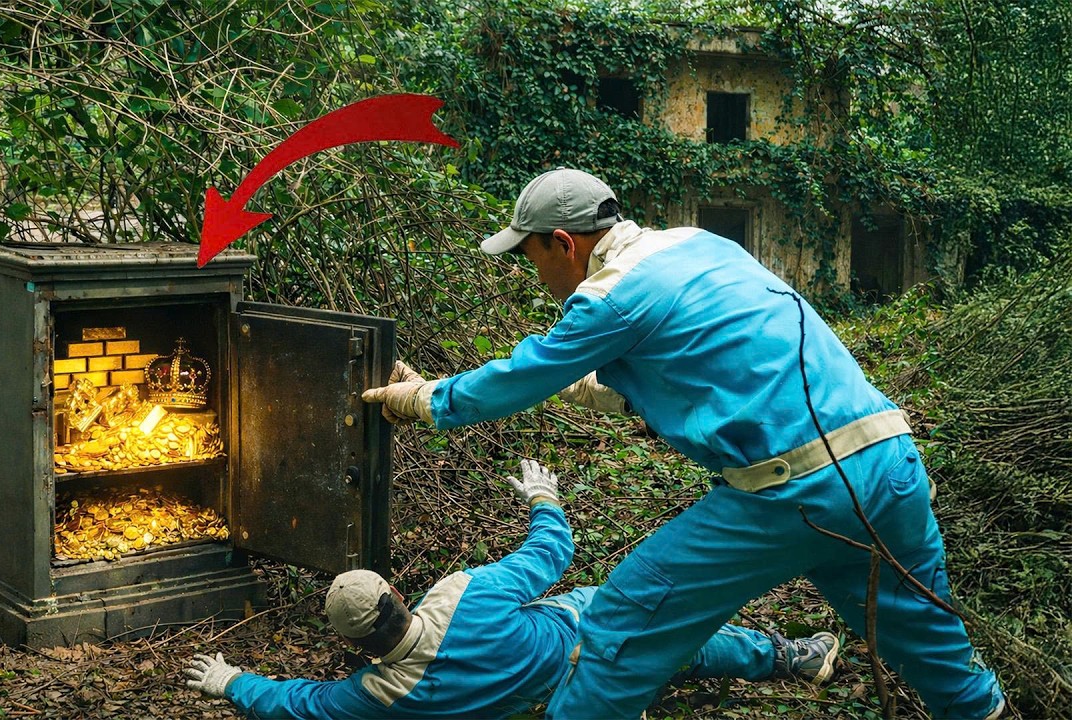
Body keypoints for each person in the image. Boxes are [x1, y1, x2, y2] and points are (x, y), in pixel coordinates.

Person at [360, 168, 1005, 719]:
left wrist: (422, 400)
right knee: (925, 634)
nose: (536, 276)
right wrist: (565, 383)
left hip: (794, 490)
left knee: (620, 623)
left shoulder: (609, 298)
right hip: (887, 458)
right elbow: (683, 366)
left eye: (531, 258)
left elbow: (519, 377)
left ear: (563, 242)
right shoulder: (700, 246)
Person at [183, 460, 840, 719]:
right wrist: (544, 496)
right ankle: (790, 657)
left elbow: (300, 703)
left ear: (353, 644)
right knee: (665, 629)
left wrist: (229, 680)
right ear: (397, 596)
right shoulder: (461, 593)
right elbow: (551, 552)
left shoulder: (380, 696)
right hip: (582, 638)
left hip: (550, 699)